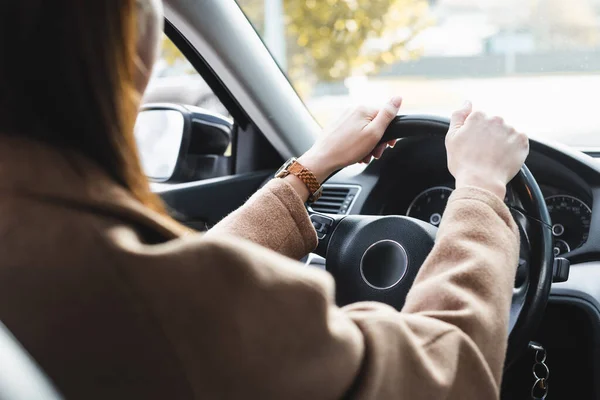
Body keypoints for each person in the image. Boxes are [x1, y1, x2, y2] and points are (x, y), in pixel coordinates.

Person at [0, 1, 528, 399]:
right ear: (121, 46)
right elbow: (446, 375)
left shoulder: (47, 249)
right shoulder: (151, 301)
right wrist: (481, 190)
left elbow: (189, 289)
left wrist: (307, 171)